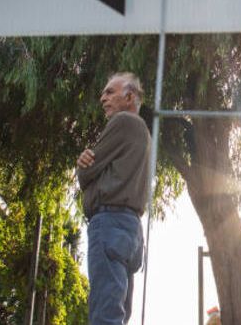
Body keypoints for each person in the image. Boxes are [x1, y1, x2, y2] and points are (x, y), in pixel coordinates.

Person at [76, 72, 151, 325]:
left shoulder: (123, 122)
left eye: (110, 92)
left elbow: (87, 172)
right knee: (119, 312)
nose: (102, 98)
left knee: (105, 313)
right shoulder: (143, 134)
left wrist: (81, 165)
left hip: (109, 223)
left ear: (129, 97)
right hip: (130, 230)